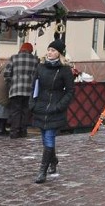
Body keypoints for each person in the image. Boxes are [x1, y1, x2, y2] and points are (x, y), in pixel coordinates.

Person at [30, 39, 74, 184]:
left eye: (53, 50)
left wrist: (60, 106)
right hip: (41, 106)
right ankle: (53, 160)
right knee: (44, 139)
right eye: (49, 49)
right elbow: (34, 86)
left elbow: (70, 91)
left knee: (49, 137)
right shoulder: (40, 67)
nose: (50, 52)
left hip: (55, 108)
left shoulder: (65, 70)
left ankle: (42, 171)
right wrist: (32, 102)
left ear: (59, 54)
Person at [4, 42, 39, 139]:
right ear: (31, 50)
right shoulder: (35, 60)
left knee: (15, 111)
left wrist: (11, 83)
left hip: (15, 89)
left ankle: (14, 132)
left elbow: (6, 74)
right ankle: (23, 131)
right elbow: (37, 75)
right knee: (25, 111)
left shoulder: (14, 58)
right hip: (29, 90)